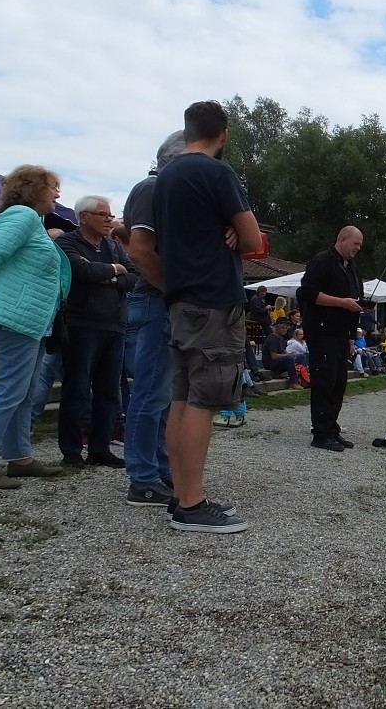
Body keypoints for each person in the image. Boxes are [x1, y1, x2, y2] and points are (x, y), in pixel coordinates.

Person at [153, 100, 263, 533]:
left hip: (180, 298)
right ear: (225, 133)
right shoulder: (217, 172)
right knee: (205, 400)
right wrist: (238, 228)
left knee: (181, 399)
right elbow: (253, 239)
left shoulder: (165, 177)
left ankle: (181, 496)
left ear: (187, 129)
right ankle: (194, 506)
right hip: (214, 297)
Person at [0, 165, 71, 489]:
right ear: (32, 189)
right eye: (52, 187)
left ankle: (20, 459)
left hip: (31, 321)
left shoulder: (33, 222)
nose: (58, 194)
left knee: (25, 391)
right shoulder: (22, 217)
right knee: (10, 390)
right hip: (15, 318)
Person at [119, 130, 184, 507]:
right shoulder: (151, 189)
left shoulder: (167, 195)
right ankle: (141, 477)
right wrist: (171, 291)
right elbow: (140, 253)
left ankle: (158, 468)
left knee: (162, 394)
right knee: (148, 393)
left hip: (163, 302)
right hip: (154, 301)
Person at [56, 195, 138, 468]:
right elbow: (80, 271)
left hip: (115, 325)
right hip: (82, 324)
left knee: (109, 390)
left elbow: (134, 276)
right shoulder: (67, 243)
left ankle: (100, 447)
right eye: (102, 214)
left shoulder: (113, 246)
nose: (109, 219)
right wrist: (115, 273)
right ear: (84, 217)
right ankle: (71, 450)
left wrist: (108, 275)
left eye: (110, 214)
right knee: (77, 387)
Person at [299, 225, 367, 453]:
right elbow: (307, 292)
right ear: (342, 238)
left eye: (360, 245)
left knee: (339, 384)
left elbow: (356, 302)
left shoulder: (354, 270)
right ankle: (320, 433)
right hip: (322, 332)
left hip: (341, 335)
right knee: (324, 382)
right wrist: (342, 302)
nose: (358, 248)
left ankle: (331, 428)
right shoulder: (322, 261)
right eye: (355, 243)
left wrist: (351, 335)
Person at [263, 318, 303, 389]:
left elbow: (283, 351)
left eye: (286, 328)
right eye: (282, 328)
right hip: (270, 363)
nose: (284, 330)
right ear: (276, 328)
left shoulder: (281, 338)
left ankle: (302, 378)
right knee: (289, 359)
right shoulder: (272, 338)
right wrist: (288, 355)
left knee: (300, 357)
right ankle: (293, 382)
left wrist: (291, 353)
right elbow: (273, 356)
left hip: (278, 361)